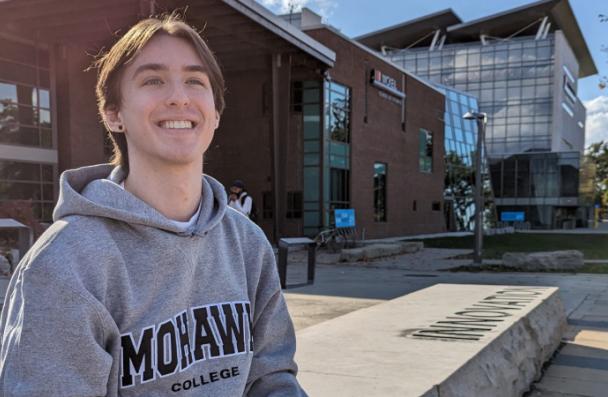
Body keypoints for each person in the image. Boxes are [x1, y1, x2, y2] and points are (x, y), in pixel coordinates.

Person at [0, 15, 306, 396]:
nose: (179, 96)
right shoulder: (65, 264)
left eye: (195, 80)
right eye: (153, 80)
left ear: (215, 113)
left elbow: (271, 379)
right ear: (113, 114)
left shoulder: (247, 245)